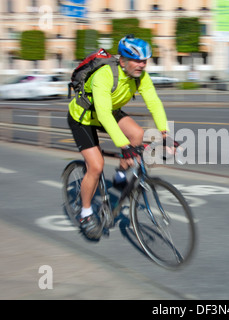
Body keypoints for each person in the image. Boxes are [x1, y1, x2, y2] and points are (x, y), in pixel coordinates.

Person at [67, 35, 171, 239]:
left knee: (138, 134)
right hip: (84, 117)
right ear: (122, 60)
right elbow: (103, 114)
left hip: (108, 111)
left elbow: (154, 103)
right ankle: (85, 213)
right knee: (96, 166)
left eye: (144, 60)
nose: (141, 65)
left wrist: (165, 132)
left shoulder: (141, 76)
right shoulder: (105, 75)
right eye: (136, 60)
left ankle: (121, 175)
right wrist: (124, 146)